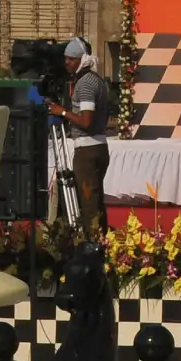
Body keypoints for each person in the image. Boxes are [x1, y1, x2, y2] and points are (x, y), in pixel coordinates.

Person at [50, 36, 113, 232]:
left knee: (88, 204)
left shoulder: (85, 84)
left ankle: (92, 244)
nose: (67, 63)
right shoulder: (97, 80)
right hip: (99, 147)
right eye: (66, 58)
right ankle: (102, 241)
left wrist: (61, 112)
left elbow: (86, 121)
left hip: (87, 150)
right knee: (95, 200)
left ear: (82, 60)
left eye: (72, 59)